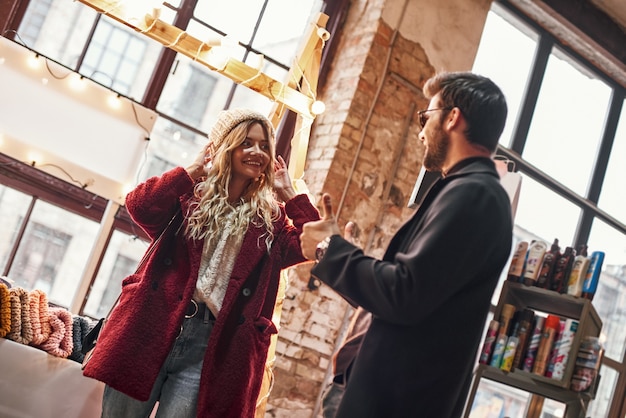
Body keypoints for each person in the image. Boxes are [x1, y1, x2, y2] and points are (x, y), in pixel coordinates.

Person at [82, 108, 320, 418]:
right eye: (247, 142)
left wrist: (289, 193)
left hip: (212, 348)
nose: (257, 152)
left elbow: (314, 244)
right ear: (225, 146)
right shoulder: (188, 196)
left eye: (264, 146)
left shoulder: (271, 220)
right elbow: (140, 205)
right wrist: (191, 171)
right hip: (153, 326)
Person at [301, 71, 513, 417]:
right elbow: (405, 295)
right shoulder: (467, 190)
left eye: (426, 117)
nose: (420, 132)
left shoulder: (475, 194)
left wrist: (330, 249)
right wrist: (342, 252)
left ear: (452, 118)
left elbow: (404, 293)